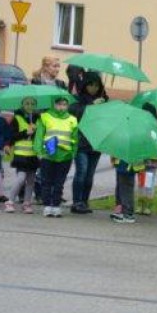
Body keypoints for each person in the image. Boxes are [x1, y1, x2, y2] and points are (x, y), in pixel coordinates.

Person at [69, 71, 108, 214]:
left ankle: (84, 202)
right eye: (91, 85)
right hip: (81, 142)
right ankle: (76, 202)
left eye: (97, 85)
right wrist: (91, 105)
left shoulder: (104, 99)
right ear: (85, 85)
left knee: (90, 174)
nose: (94, 88)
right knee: (81, 172)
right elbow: (74, 113)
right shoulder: (78, 99)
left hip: (96, 142)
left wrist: (103, 107)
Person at [35, 96, 78, 218]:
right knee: (46, 181)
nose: (61, 107)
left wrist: (73, 152)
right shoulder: (45, 117)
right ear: (54, 105)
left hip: (65, 156)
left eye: (64, 104)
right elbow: (39, 135)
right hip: (48, 155)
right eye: (59, 104)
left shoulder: (72, 119)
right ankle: (47, 205)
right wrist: (39, 151)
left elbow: (75, 138)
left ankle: (56, 205)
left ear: (68, 106)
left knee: (60, 182)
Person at [4, 97, 41, 214]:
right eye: (27, 103)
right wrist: (26, 132)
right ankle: (10, 201)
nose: (30, 106)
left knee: (31, 180)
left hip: (33, 154)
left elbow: (40, 137)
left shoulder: (38, 119)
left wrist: (35, 132)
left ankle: (27, 203)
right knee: (21, 178)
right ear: (22, 105)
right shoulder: (17, 118)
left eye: (32, 104)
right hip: (21, 154)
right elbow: (12, 136)